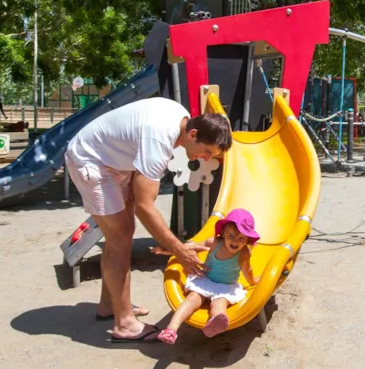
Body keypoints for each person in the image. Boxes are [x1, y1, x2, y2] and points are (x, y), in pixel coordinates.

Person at [64, 96, 233, 343]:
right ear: (193, 133)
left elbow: (139, 194)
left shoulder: (181, 120)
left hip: (114, 159)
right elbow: (145, 207)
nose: (207, 158)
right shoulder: (160, 140)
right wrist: (181, 252)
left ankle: (109, 305)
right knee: (119, 236)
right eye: (207, 151)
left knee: (122, 232)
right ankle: (125, 325)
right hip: (92, 159)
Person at [156, 208, 260, 344]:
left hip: (226, 286)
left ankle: (216, 321)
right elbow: (191, 247)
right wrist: (170, 250)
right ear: (222, 233)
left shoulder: (245, 253)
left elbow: (248, 269)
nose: (235, 241)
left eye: (241, 238)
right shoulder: (214, 243)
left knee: (219, 303)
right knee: (192, 298)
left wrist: (253, 281)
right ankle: (171, 330)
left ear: (247, 240)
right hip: (205, 280)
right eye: (231, 236)